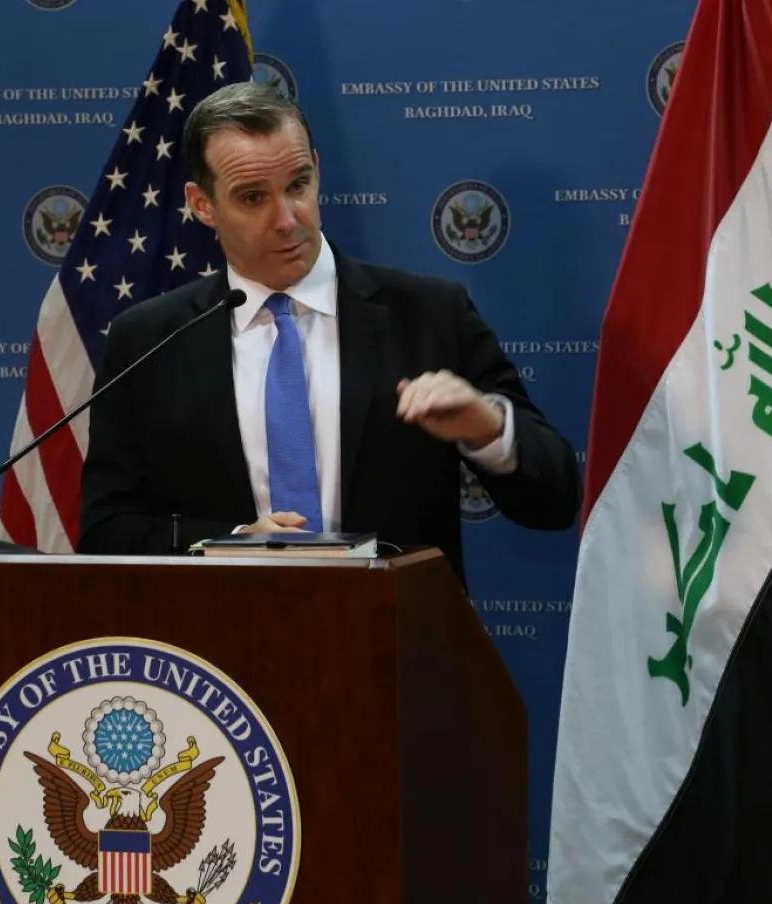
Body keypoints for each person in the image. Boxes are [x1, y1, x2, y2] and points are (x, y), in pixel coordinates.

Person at [77, 82, 581, 587]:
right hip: (213, 653)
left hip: (396, 645)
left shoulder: (429, 313)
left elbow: (555, 501)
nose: (287, 219)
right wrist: (228, 542)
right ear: (202, 205)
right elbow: (106, 529)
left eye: (298, 185)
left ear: (316, 169)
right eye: (253, 197)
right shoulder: (148, 340)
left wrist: (488, 429)